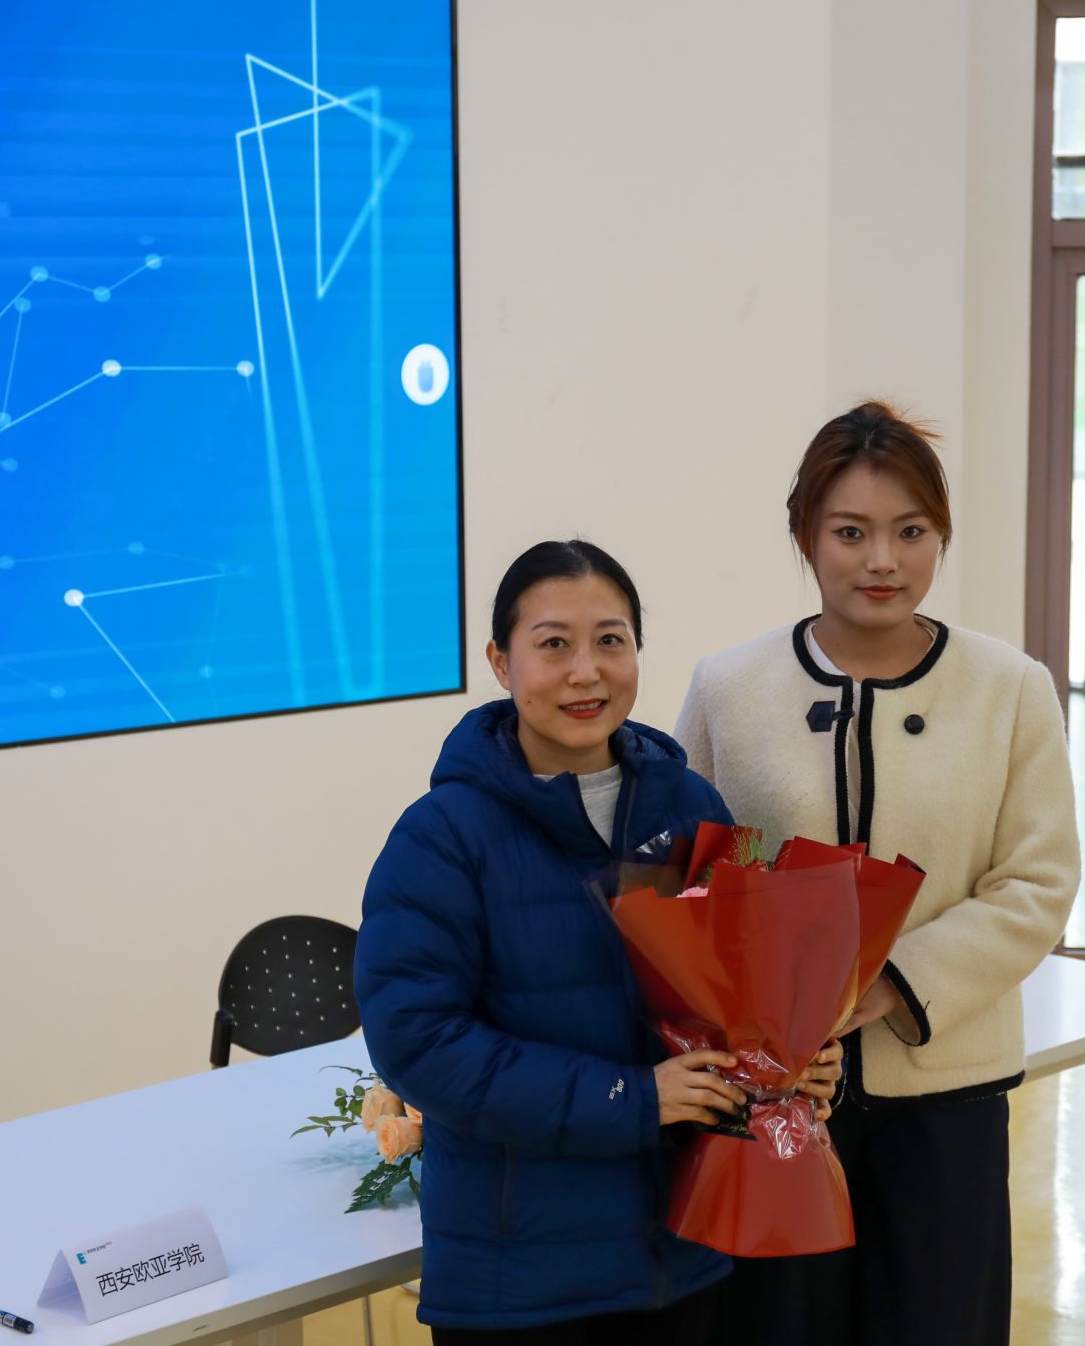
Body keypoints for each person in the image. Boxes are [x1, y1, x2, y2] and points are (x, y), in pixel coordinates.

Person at [355, 539, 841, 1343]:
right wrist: (632, 1097)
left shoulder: (692, 807)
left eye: (610, 639)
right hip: (520, 1283)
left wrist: (797, 1060)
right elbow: (419, 1042)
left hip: (682, 1254)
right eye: (553, 643)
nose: (586, 671)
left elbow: (742, 994)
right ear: (500, 661)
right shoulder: (441, 836)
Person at [676, 402, 1081, 1345]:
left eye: (911, 531)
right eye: (850, 532)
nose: (882, 560)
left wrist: (891, 980)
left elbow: (1038, 883)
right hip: (772, 1101)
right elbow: (687, 877)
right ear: (806, 538)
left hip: (945, 1097)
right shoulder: (728, 687)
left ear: (942, 535)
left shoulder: (1011, 688)